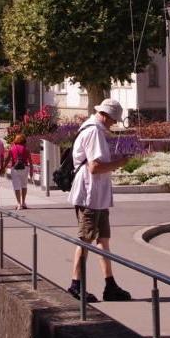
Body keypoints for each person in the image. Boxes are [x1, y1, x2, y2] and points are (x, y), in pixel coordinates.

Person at [67, 98, 132, 303]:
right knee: (86, 239)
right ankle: (75, 284)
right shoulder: (94, 131)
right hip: (90, 195)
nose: (114, 123)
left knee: (103, 239)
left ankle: (110, 284)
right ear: (105, 116)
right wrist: (120, 162)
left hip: (97, 196)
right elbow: (94, 167)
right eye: (113, 120)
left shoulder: (94, 129)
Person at [4, 133, 34, 210]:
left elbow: (7, 159)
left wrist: (3, 167)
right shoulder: (26, 149)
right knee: (24, 185)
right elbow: (30, 161)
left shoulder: (12, 148)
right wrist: (31, 171)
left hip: (15, 168)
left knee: (16, 186)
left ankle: (18, 203)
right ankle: (23, 202)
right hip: (25, 168)